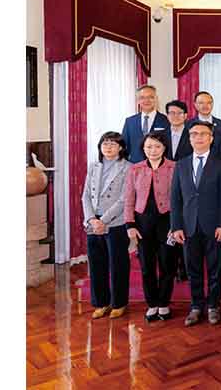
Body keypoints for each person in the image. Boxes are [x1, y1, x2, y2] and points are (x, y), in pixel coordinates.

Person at [170, 121, 221, 326]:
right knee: (193, 269)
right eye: (194, 134)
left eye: (203, 134)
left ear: (211, 138)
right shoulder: (181, 164)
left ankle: (214, 305)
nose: (198, 137)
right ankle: (196, 306)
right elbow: (175, 198)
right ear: (189, 138)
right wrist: (176, 226)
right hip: (188, 226)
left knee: (215, 269)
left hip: (214, 226)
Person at [124, 132, 176, 322]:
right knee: (147, 266)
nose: (153, 150)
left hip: (167, 221)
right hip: (142, 223)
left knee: (167, 264)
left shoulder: (174, 167)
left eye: (157, 146)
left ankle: (164, 303)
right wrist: (130, 224)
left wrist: (176, 225)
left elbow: (179, 198)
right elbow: (129, 198)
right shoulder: (135, 169)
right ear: (143, 149)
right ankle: (152, 303)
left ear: (164, 148)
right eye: (149, 147)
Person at [82, 132, 132, 319]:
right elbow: (86, 195)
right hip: (93, 223)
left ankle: (119, 303)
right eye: (105, 143)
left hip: (115, 222)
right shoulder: (94, 166)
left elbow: (124, 199)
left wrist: (104, 220)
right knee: (96, 264)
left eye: (113, 144)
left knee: (118, 264)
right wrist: (91, 219)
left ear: (121, 147)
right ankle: (101, 303)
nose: (108, 147)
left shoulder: (128, 167)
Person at [164, 100, 190, 281]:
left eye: (179, 113)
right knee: (167, 225)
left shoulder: (193, 134)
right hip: (164, 186)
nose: (175, 116)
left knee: (183, 224)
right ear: (167, 115)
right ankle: (170, 267)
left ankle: (184, 267)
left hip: (186, 184)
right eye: (171, 113)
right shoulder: (159, 136)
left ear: (185, 116)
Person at [122, 85, 170, 164]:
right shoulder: (129, 121)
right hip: (135, 166)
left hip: (160, 166)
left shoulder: (166, 120)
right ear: (138, 101)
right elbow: (124, 147)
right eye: (142, 97)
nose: (146, 100)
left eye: (150, 97)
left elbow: (169, 147)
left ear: (156, 99)